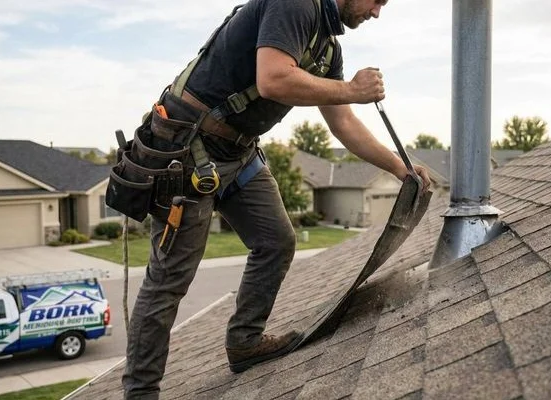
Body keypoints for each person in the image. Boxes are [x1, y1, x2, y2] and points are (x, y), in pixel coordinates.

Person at [121, 0, 431, 398]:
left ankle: (245, 343)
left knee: (276, 241)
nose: (376, 13)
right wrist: (352, 89)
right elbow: (273, 80)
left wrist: (399, 167)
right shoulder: (296, 4)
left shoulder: (327, 48)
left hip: (238, 152)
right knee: (169, 281)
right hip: (187, 149)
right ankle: (141, 393)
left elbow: (343, 122)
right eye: (378, 0)